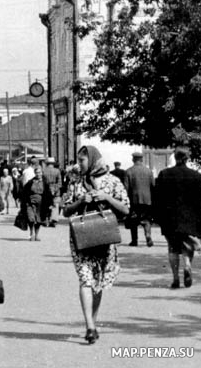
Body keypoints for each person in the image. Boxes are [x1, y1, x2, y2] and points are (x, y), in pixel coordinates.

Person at [63, 145, 129, 344]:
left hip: (104, 238)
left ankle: (93, 320)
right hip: (81, 239)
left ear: (92, 160)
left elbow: (125, 209)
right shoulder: (76, 183)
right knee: (85, 280)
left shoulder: (113, 181)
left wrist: (106, 197)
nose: (79, 164)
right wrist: (81, 201)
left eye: (82, 160)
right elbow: (66, 211)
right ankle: (90, 326)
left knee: (97, 282)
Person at [155, 147, 201, 289]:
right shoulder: (196, 176)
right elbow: (200, 200)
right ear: (187, 158)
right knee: (187, 245)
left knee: (172, 247)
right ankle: (188, 265)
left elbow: (158, 198)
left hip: (170, 217)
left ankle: (176, 279)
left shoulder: (164, 174)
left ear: (175, 157)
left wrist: (158, 217)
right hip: (190, 217)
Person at [124, 152, 155, 247]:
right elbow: (153, 186)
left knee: (133, 220)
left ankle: (134, 240)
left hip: (134, 200)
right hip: (147, 200)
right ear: (142, 159)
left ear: (133, 159)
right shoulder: (149, 171)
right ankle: (148, 235)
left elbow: (126, 187)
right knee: (146, 219)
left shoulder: (128, 171)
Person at [21, 165, 45, 241]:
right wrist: (24, 201)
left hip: (41, 203)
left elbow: (48, 193)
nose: (38, 174)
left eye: (39, 172)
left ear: (42, 173)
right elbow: (24, 191)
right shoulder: (30, 182)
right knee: (31, 218)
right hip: (30, 202)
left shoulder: (45, 182)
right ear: (35, 173)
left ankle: (37, 235)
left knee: (38, 219)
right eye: (36, 173)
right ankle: (31, 234)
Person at [43, 158, 63, 227]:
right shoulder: (57, 171)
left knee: (46, 204)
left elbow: (42, 182)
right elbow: (60, 183)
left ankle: (46, 219)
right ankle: (54, 220)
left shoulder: (43, 171)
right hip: (56, 190)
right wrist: (55, 189)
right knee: (55, 205)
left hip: (46, 189)